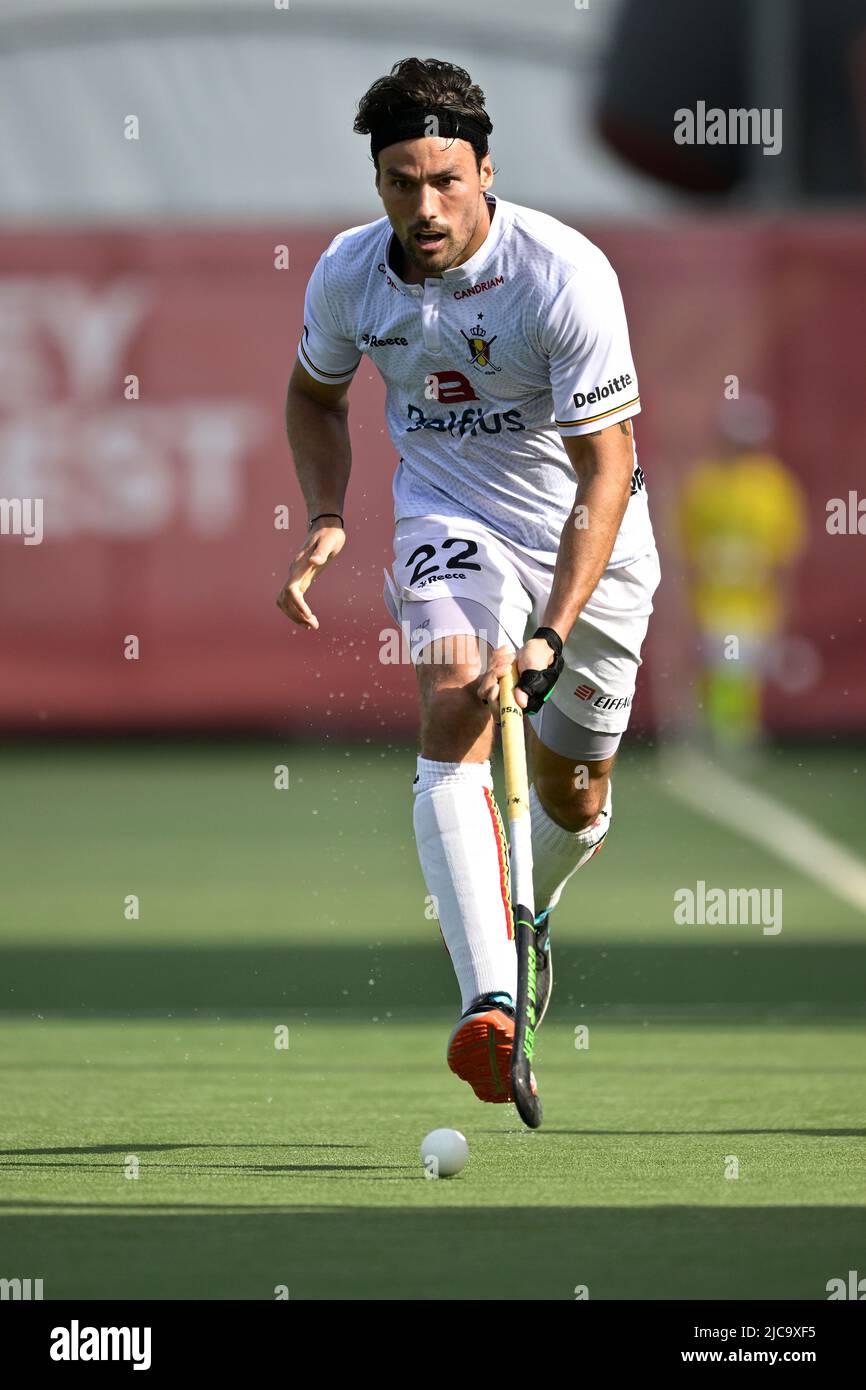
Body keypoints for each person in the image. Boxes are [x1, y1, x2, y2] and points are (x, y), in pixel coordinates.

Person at [277, 57, 659, 1104]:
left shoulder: (561, 273)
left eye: (445, 179)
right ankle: (488, 998)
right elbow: (312, 398)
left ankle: (526, 919)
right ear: (377, 186)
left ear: (486, 170)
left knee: (574, 798)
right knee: (455, 692)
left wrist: (553, 629)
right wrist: (325, 517)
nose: (424, 205)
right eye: (401, 181)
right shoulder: (350, 275)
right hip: (450, 518)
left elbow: (607, 467)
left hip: (591, 541)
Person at [678, 395, 807, 750]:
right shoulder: (704, 484)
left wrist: (782, 601)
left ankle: (732, 733)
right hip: (712, 598)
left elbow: (784, 554)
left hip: (755, 598)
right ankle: (722, 733)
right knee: (723, 666)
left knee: (742, 670)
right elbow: (686, 549)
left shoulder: (774, 486)